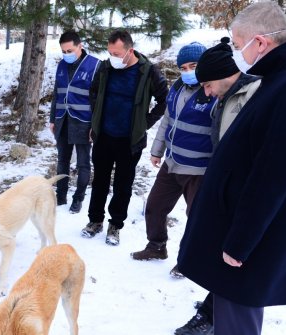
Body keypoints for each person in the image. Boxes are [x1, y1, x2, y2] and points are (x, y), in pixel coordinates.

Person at [177, 2, 286, 335]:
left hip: (251, 241)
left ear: (260, 42)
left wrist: (240, 242)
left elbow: (272, 175)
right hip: (245, 231)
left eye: (237, 44)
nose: (236, 52)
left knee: (238, 323)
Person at [172, 36, 262, 335]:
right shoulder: (226, 96)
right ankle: (212, 313)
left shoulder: (255, 94)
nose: (206, 93)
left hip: (244, 196)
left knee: (233, 266)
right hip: (222, 187)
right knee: (219, 259)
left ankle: (214, 317)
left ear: (223, 76)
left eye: (208, 85)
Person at [130, 43, 215, 269]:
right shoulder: (177, 88)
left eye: (193, 66)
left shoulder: (214, 92)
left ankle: (190, 260)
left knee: (196, 218)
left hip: (198, 169)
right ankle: (156, 246)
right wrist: (157, 150)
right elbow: (168, 120)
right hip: (172, 162)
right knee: (155, 206)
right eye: (183, 67)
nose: (188, 71)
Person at [81, 30, 168, 246]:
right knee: (99, 180)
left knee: (123, 184)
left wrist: (143, 124)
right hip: (104, 136)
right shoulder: (105, 67)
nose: (112, 57)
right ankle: (95, 221)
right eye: (110, 52)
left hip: (129, 141)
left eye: (117, 53)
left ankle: (115, 225)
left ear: (130, 50)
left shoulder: (148, 71)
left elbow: (164, 100)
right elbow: (93, 92)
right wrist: (96, 120)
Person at [49, 31, 100, 214]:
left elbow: (98, 101)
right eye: (63, 51)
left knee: (83, 163)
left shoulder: (95, 66)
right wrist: (53, 118)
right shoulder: (62, 65)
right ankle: (60, 196)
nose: (66, 54)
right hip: (62, 120)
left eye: (69, 50)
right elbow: (57, 93)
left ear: (80, 46)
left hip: (83, 123)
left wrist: (95, 127)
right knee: (62, 161)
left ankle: (78, 198)